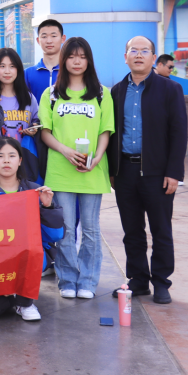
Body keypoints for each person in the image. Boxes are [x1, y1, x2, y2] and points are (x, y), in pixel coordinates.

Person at [109, 36, 188, 306]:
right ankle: (138, 280)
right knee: (132, 231)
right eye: (133, 50)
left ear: (153, 58)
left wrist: (174, 172)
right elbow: (112, 133)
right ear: (126, 57)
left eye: (145, 51)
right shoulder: (117, 91)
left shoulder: (170, 89)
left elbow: (179, 132)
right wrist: (113, 170)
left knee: (161, 230)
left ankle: (161, 282)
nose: (139, 55)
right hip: (125, 172)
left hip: (158, 173)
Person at [38, 36, 113, 300]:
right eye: (71, 56)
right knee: (67, 229)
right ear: (64, 60)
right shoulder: (51, 94)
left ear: (89, 60)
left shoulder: (102, 93)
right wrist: (66, 151)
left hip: (92, 171)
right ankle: (67, 279)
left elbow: (105, 131)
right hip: (61, 171)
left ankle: (88, 281)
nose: (77, 61)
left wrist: (97, 157)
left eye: (82, 56)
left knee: (91, 230)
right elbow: (45, 132)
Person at [0, 138, 63, 321]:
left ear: (20, 160)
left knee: (30, 252)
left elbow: (55, 235)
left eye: (12, 156)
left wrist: (48, 207)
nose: (6, 160)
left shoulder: (35, 192)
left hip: (27, 256)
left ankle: (25, 302)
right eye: (0, 156)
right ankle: (11, 295)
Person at [0, 48, 41, 182]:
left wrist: (34, 128)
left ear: (18, 70)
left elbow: (37, 121)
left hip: (23, 162)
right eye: (2, 66)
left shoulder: (29, 98)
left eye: (12, 66)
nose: (7, 71)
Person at [24, 19, 63, 104]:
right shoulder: (27, 74)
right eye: (44, 37)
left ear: (62, 39)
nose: (49, 41)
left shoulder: (69, 71)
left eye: (53, 36)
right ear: (38, 40)